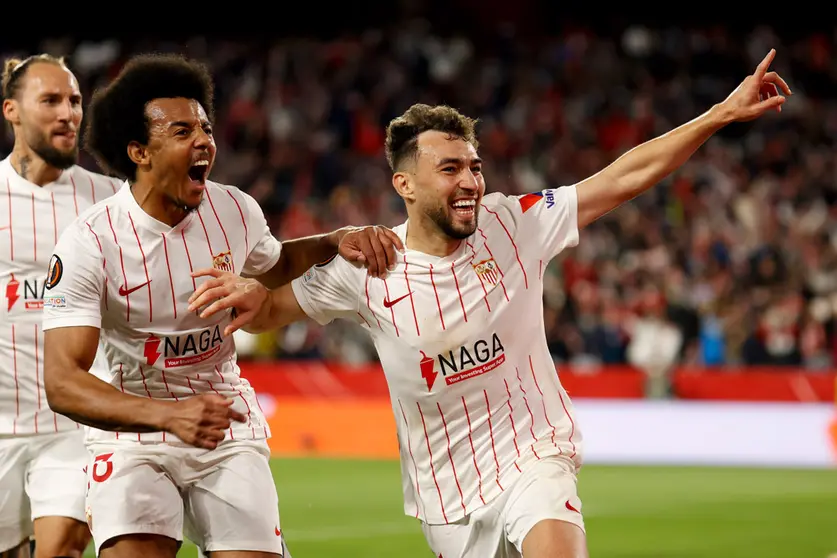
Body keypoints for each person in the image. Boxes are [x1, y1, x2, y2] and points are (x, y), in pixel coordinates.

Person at [187, 50, 791, 558]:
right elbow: (266, 311)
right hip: (447, 497)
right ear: (406, 185)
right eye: (449, 168)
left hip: (536, 455)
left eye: (474, 166)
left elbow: (621, 178)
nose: (471, 181)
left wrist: (719, 115)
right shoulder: (367, 266)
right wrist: (246, 285)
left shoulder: (514, 223)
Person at [39, 53, 403, 558]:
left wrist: (332, 240)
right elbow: (62, 382)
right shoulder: (89, 242)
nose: (204, 141)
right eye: (183, 130)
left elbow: (273, 267)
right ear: (139, 152)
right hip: (132, 432)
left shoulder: (234, 208)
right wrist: (168, 417)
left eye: (205, 127)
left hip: (223, 418)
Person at [0, 53, 123, 558]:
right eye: (50, 100)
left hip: (73, 425)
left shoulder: (110, 201)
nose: (68, 113)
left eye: (74, 101)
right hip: (2, 425)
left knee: (61, 549)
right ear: (12, 110)